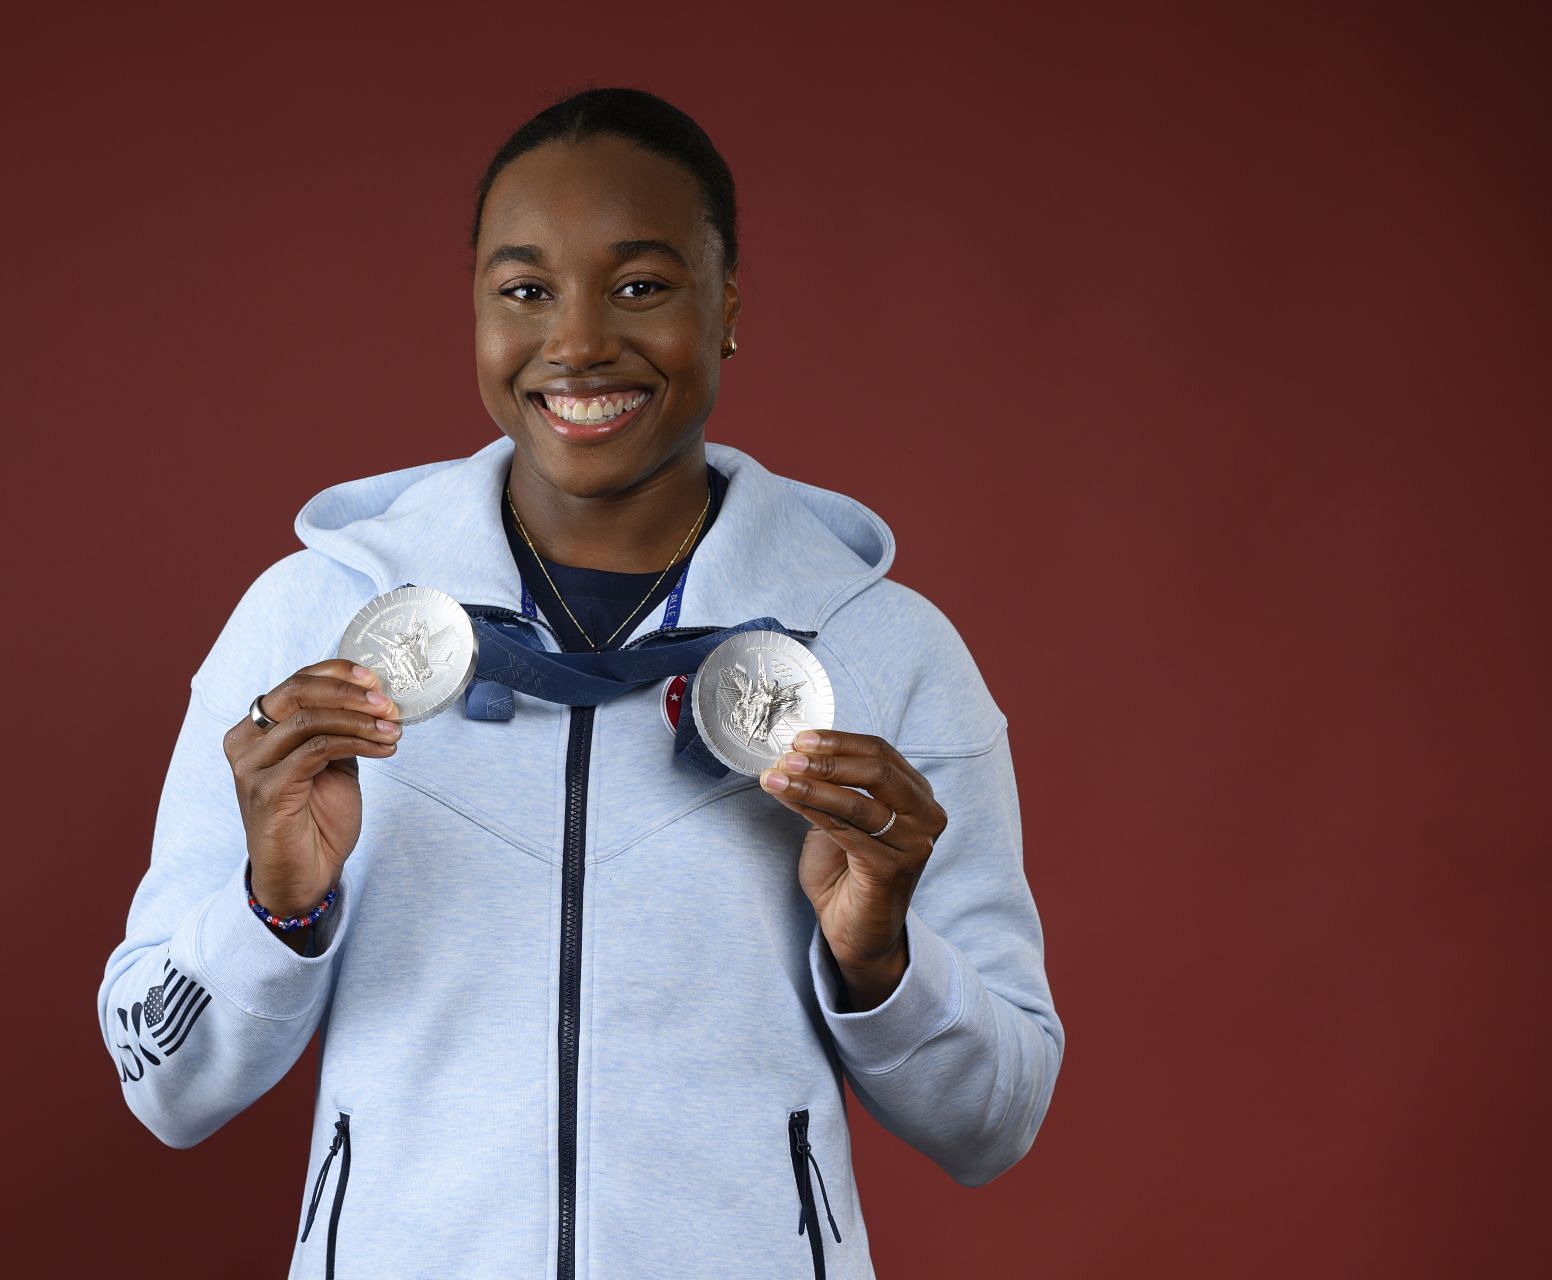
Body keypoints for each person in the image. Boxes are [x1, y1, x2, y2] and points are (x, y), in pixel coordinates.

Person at [96, 87, 1065, 1280]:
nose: (579, 341)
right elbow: (163, 1079)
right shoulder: (309, 627)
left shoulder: (883, 651)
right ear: (475, 314)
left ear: (728, 311)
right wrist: (277, 910)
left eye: (642, 284)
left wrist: (882, 959)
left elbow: (997, 1119)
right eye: (525, 290)